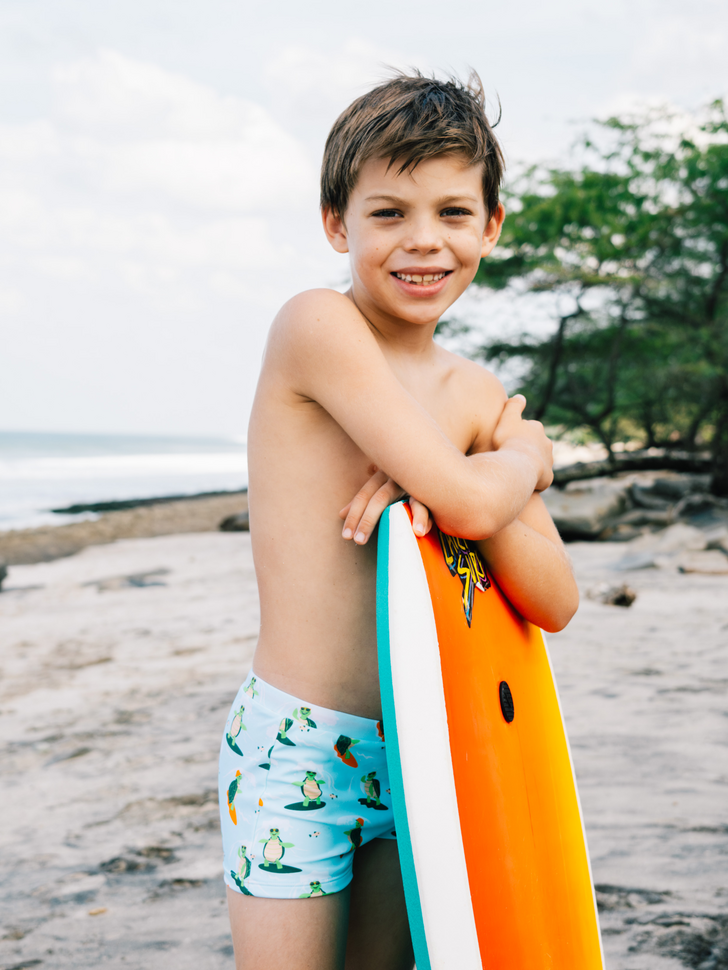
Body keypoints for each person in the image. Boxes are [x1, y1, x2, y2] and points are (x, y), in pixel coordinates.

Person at [218, 70, 579, 970]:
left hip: (428, 743)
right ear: (337, 224)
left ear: (492, 226)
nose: (424, 241)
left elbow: (556, 596)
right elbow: (465, 500)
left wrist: (470, 486)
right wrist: (521, 462)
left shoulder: (474, 394)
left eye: (454, 213)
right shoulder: (316, 327)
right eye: (389, 213)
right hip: (297, 743)